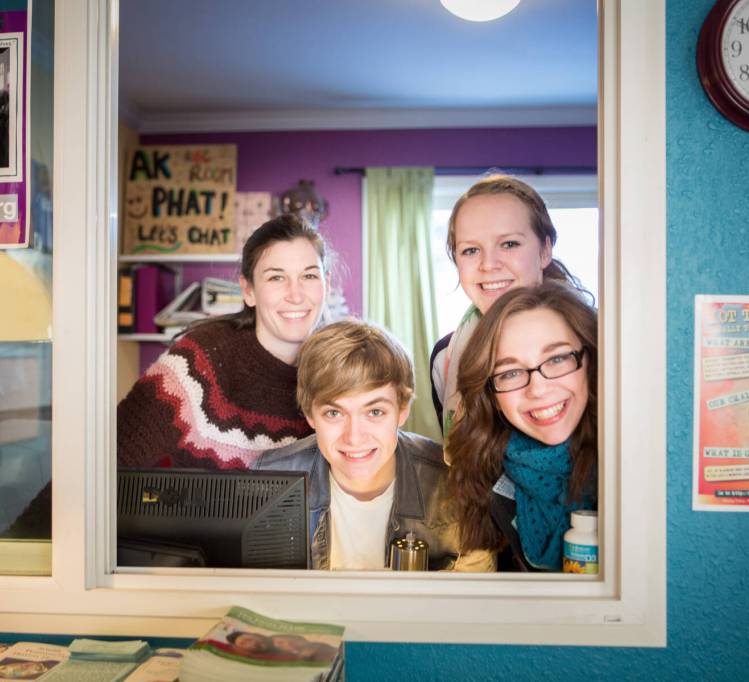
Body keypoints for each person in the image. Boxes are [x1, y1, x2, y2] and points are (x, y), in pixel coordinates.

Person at [255, 319, 486, 571]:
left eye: (375, 412)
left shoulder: (455, 484)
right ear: (310, 415)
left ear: (402, 410)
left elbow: (473, 602)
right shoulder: (268, 481)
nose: (354, 437)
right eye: (334, 413)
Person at [117, 214, 330, 470]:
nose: (296, 295)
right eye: (276, 277)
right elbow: (103, 462)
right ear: (248, 291)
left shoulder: (339, 367)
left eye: (309, 276)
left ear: (325, 283)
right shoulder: (199, 362)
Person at [447, 282, 598, 572]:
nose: (538, 389)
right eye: (511, 372)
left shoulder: (630, 467)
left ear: (589, 360)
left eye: (556, 359)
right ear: (490, 392)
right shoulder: (483, 471)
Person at [430, 174, 586, 437]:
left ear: (545, 250)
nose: (489, 264)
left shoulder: (593, 341)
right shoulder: (445, 359)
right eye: (470, 250)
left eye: (509, 244)